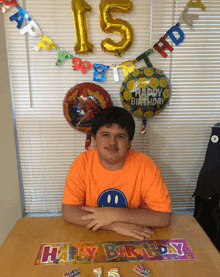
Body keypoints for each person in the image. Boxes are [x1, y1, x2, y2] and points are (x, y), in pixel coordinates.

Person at [62, 106, 172, 240]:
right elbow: (68, 211)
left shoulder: (145, 165)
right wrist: (113, 224)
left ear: (129, 142)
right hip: (93, 235)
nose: (112, 142)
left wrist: (115, 214)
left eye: (120, 136)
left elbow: (163, 217)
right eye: (105, 135)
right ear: (94, 139)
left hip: (136, 237)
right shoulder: (82, 163)